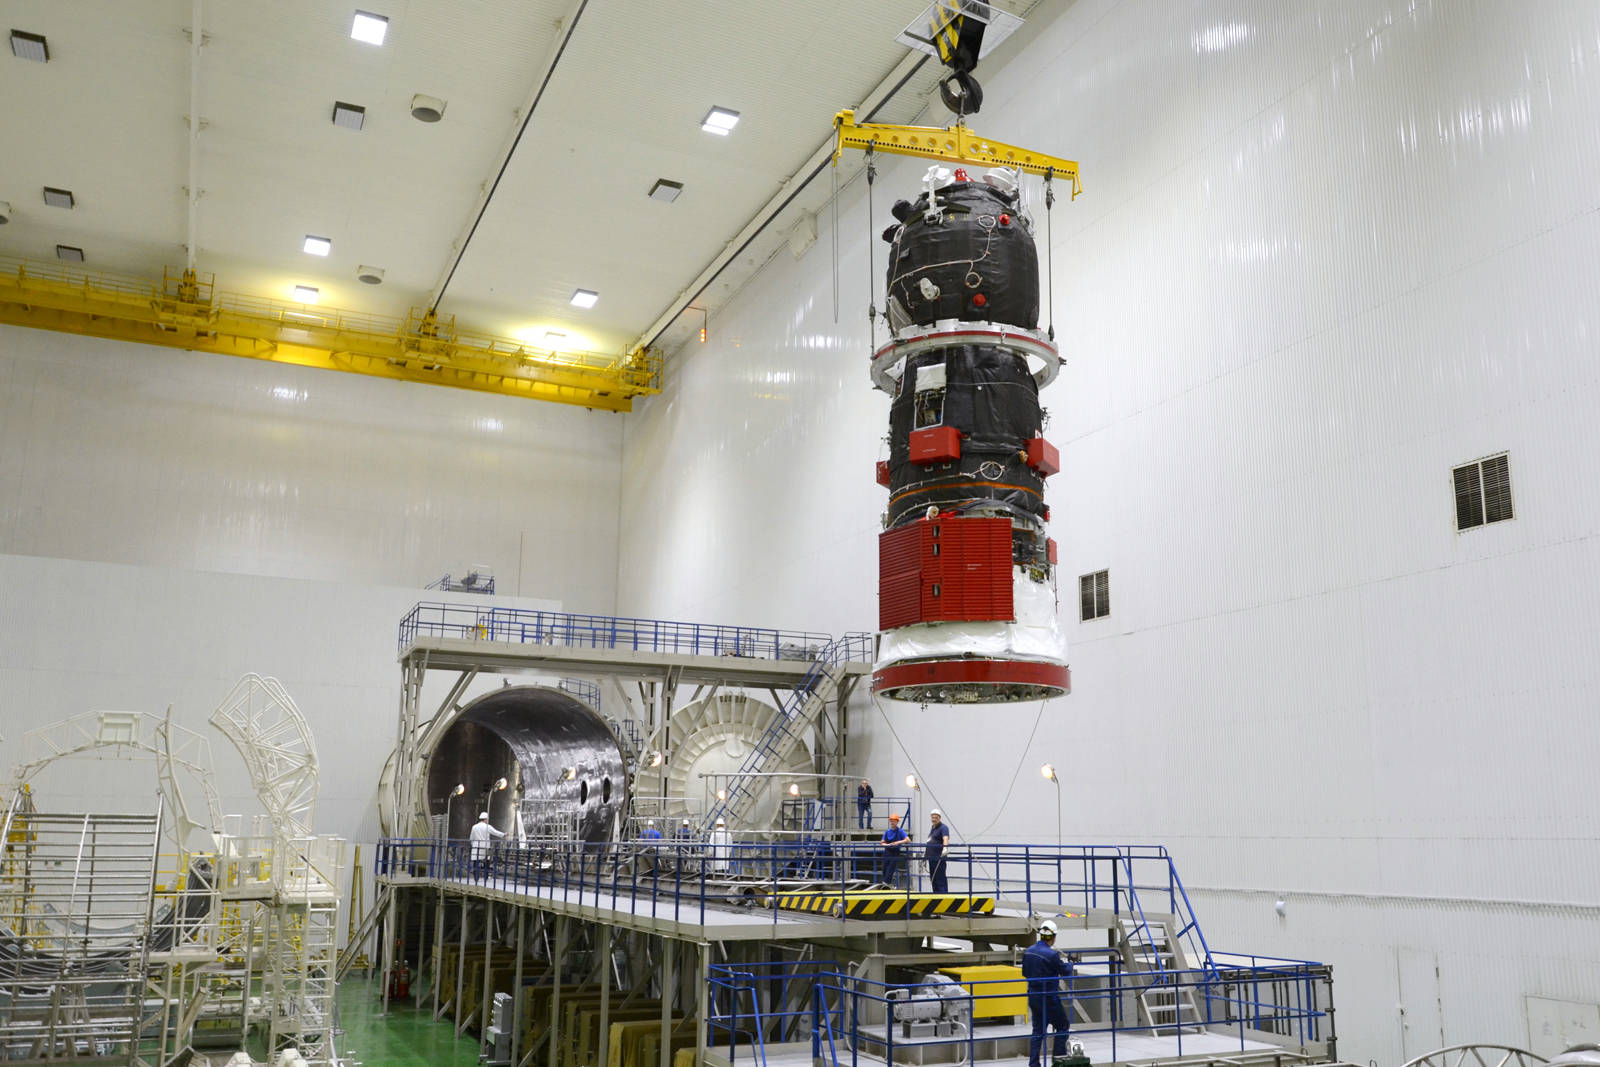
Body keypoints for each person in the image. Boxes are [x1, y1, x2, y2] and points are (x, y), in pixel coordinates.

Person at [1022, 920, 1073, 1067]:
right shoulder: (1052, 955)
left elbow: (1025, 972)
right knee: (1062, 1025)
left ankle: (1034, 1064)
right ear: (1053, 937)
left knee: (1038, 1031)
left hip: (1033, 996)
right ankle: (1058, 1061)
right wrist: (1071, 964)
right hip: (1049, 998)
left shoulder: (1029, 951)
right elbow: (1065, 971)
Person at [468, 811, 505, 879]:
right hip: (485, 846)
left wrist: (472, 844)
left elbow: (471, 837)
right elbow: (495, 832)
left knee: (476, 862)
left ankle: (476, 877)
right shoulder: (487, 827)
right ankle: (485, 877)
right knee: (486, 862)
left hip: (476, 846)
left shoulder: (474, 827)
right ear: (485, 819)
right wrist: (504, 834)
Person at [925, 809, 951, 894]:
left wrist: (945, 848)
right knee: (933, 878)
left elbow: (945, 838)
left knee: (940, 878)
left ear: (939, 818)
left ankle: (943, 896)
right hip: (931, 858)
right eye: (932, 817)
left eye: (936, 817)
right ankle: (936, 895)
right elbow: (930, 840)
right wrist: (925, 853)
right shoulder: (933, 828)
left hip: (938, 857)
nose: (934, 819)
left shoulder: (943, 828)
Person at [879, 812, 909, 887]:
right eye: (891, 821)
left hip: (895, 852)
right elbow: (882, 842)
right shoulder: (887, 832)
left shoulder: (900, 831)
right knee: (884, 868)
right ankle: (885, 883)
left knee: (891, 868)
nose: (892, 822)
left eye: (894, 821)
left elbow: (908, 840)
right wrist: (888, 845)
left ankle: (886, 883)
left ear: (897, 822)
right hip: (887, 851)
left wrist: (898, 842)